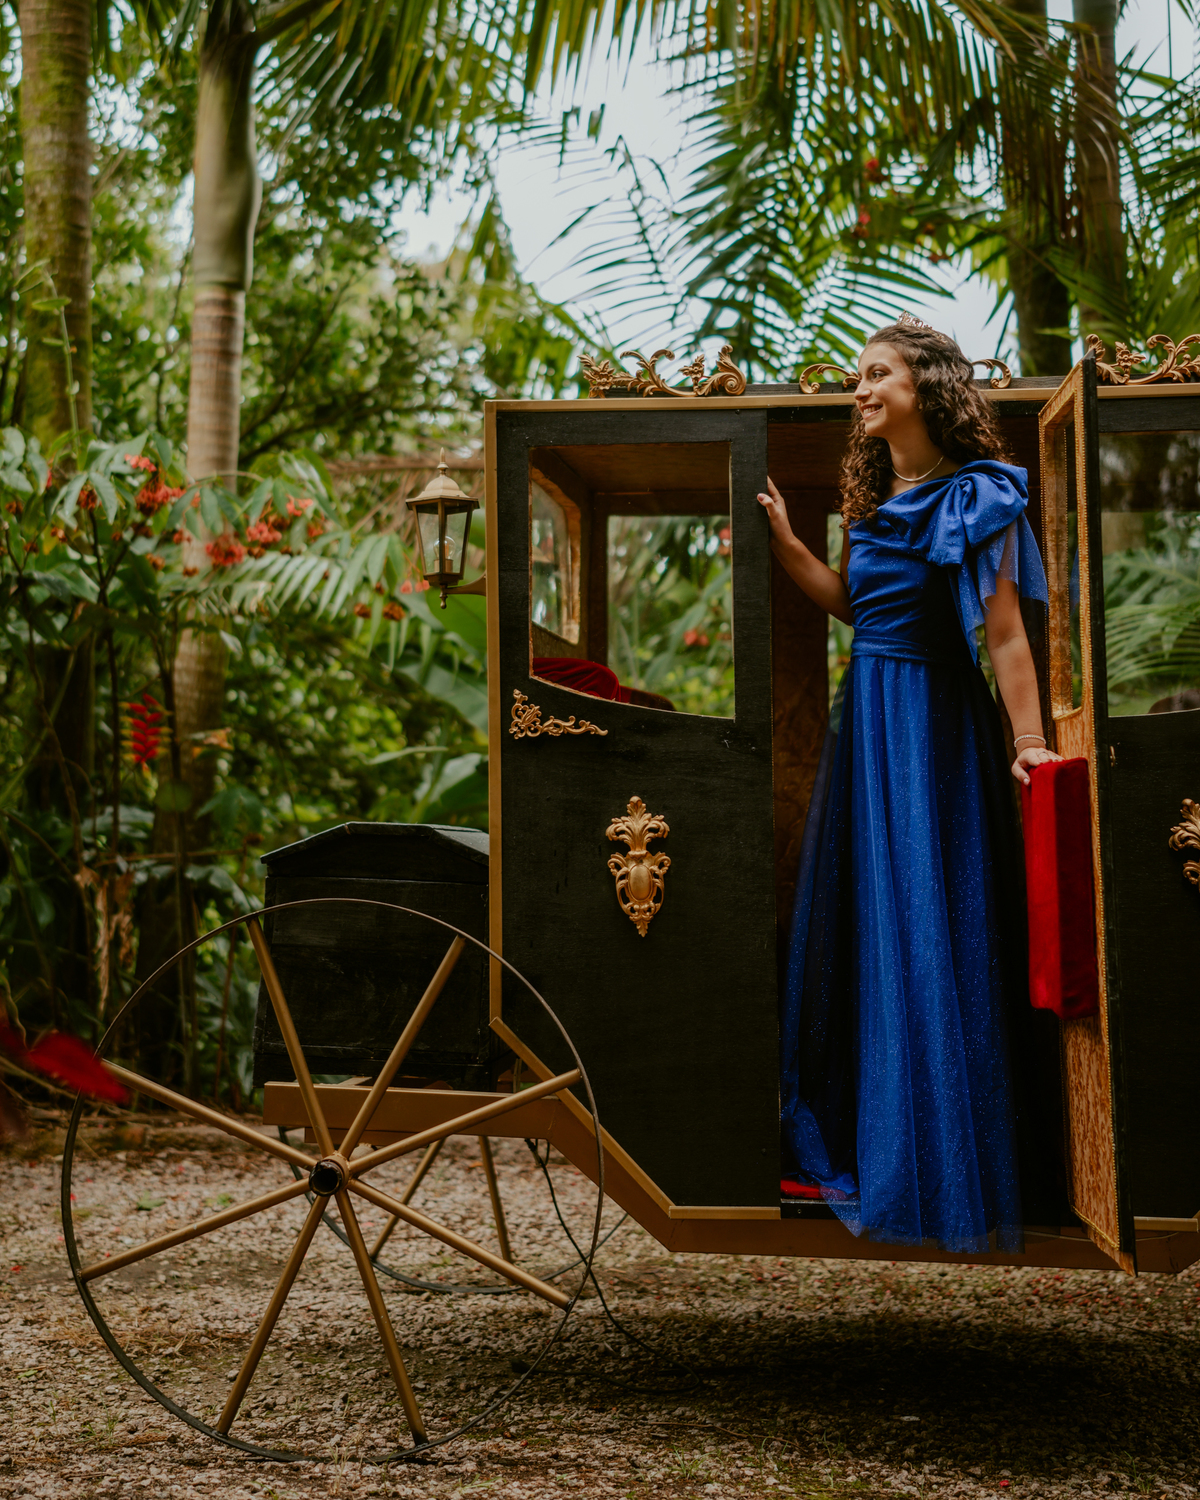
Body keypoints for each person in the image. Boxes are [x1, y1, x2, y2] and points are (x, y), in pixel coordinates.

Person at [759, 317, 1059, 1254]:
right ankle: (886, 1142)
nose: (862, 389)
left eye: (877, 373)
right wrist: (785, 542)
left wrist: (1030, 739)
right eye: (860, 376)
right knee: (878, 918)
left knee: (937, 916)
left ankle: (944, 1161)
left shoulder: (978, 496)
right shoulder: (874, 495)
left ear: (926, 386)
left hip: (934, 720)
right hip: (871, 718)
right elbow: (858, 606)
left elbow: (1003, 634)